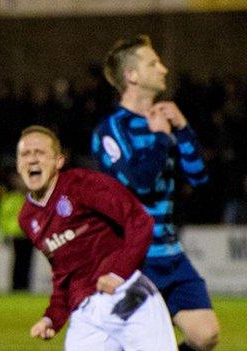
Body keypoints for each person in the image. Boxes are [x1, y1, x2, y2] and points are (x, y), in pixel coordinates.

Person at [92, 34, 220, 351]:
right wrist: (162, 138)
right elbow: (139, 181)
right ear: (131, 76)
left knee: (206, 335)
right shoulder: (111, 130)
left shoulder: (166, 121)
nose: (163, 68)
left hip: (170, 254)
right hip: (132, 259)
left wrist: (183, 128)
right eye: (153, 63)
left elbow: (200, 177)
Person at [16, 125, 176, 350]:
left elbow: (140, 221)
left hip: (127, 295)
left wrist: (118, 273)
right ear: (18, 164)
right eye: (25, 154)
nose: (31, 159)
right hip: (86, 314)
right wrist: (52, 317)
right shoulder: (27, 218)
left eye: (39, 152)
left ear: (58, 161)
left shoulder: (83, 184)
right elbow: (63, 273)